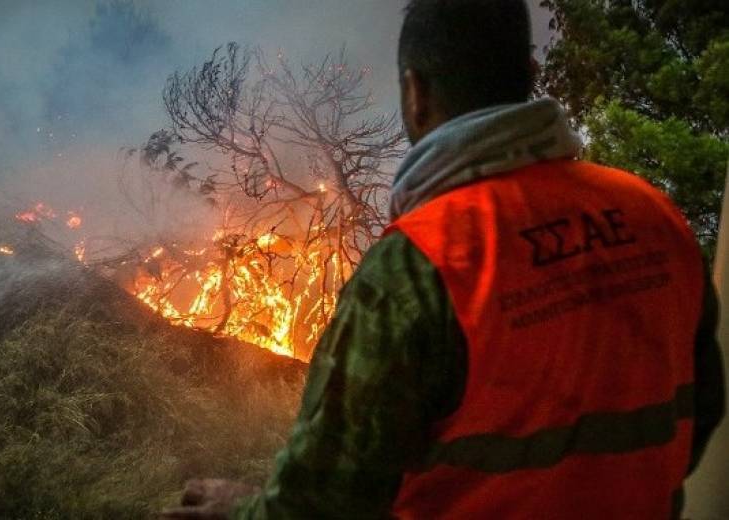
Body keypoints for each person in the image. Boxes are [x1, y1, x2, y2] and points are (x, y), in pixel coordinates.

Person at [162, 0, 726, 518]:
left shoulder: (419, 265)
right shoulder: (656, 216)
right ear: (531, 78)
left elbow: (320, 504)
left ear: (414, 92)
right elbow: (703, 412)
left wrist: (240, 509)